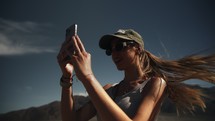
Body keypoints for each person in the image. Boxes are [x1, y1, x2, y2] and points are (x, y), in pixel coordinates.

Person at [57, 29, 215, 121]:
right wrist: (67, 77)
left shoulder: (155, 84)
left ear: (138, 48)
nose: (114, 53)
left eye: (119, 46)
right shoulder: (108, 90)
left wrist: (88, 77)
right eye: (110, 50)